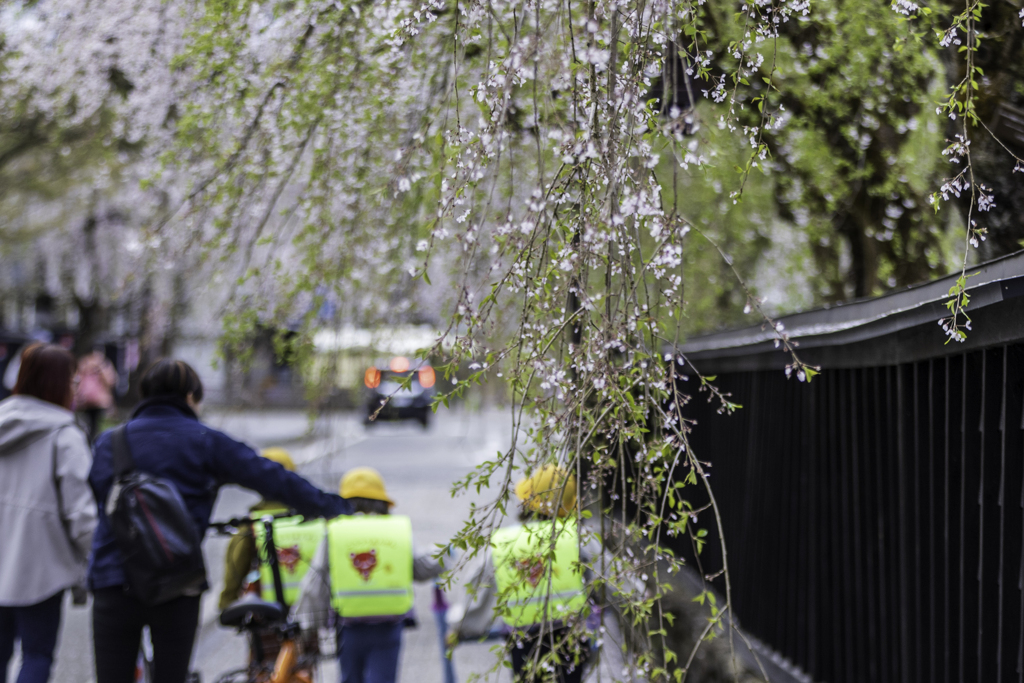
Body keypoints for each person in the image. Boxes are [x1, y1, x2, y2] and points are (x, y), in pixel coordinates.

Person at [88, 359, 352, 683]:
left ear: (145, 393)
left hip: (113, 578)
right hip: (176, 582)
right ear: (190, 397)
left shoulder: (109, 443)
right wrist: (330, 505)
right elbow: (270, 476)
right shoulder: (204, 440)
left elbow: (100, 498)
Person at [0, 343, 98, 683]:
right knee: (37, 655)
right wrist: (94, 561)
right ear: (56, 383)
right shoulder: (64, 435)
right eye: (72, 381)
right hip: (40, 569)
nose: (75, 389)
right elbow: (81, 514)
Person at [294, 467, 444, 683]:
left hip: (349, 627)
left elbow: (316, 581)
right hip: (389, 626)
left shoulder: (336, 530)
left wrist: (306, 626)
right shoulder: (396, 529)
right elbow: (422, 568)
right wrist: (447, 553)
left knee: (350, 678)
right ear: (382, 502)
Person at [450, 466, 595, 683]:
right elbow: (606, 579)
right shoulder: (576, 537)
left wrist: (459, 628)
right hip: (571, 637)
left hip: (523, 640)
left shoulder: (505, 542)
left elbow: (479, 591)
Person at [218, 447, 325, 611]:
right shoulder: (315, 520)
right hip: (314, 609)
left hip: (268, 612)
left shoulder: (252, 525)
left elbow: (235, 568)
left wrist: (227, 602)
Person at [74, 349, 116, 444]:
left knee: (98, 423)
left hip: (99, 401)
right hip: (85, 402)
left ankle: (96, 441)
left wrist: (100, 370)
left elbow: (111, 381)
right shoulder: (83, 365)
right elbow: (77, 381)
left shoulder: (103, 366)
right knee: (86, 423)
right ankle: (88, 441)